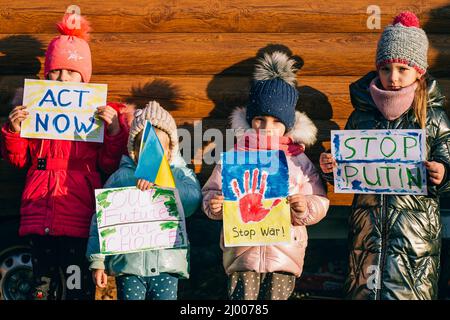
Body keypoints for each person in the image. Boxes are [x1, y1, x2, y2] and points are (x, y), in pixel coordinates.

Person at [319, 11, 450, 300]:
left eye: (403, 69)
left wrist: (443, 172)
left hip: (414, 236)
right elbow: (347, 170)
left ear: (419, 71)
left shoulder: (434, 117)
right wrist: (331, 167)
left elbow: (447, 158)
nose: (393, 77)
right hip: (367, 232)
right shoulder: (361, 116)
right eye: (386, 68)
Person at [0, 13, 129, 300]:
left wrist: (115, 130)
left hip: (78, 211)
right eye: (56, 72)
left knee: (75, 286)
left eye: (71, 72)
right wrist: (14, 131)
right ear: (47, 75)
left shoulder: (96, 114)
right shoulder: (34, 111)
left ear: (84, 78)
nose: (62, 78)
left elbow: (108, 163)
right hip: (38, 208)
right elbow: (19, 161)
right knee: (41, 287)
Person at [202, 51, 330, 300]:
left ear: (288, 124)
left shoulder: (297, 160)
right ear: (251, 120)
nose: (267, 128)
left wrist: (304, 207)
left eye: (275, 121)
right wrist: (215, 205)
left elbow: (320, 200)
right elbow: (212, 192)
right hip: (242, 253)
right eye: (260, 119)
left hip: (285, 254)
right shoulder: (236, 156)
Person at [87, 101, 202, 300]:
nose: (152, 154)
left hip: (167, 265)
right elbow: (101, 220)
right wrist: (98, 261)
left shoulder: (180, 174)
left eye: (158, 148)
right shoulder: (121, 178)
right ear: (134, 150)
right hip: (129, 266)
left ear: (169, 150)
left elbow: (192, 202)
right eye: (145, 147)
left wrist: (166, 185)